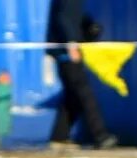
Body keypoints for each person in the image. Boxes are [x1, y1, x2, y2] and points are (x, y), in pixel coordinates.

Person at [47, 0, 118, 150]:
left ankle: (59, 137)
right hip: (68, 53)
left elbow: (72, 16)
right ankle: (101, 136)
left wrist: (88, 26)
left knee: (73, 96)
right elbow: (64, 17)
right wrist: (71, 43)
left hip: (64, 51)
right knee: (84, 92)